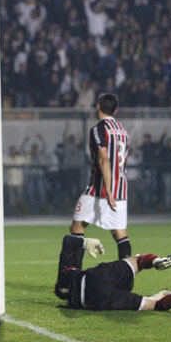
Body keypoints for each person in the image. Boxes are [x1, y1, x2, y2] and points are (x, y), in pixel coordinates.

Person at [54, 235, 171, 311]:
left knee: (154, 304)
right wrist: (87, 242)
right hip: (95, 275)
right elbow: (68, 241)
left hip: (98, 299)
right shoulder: (64, 273)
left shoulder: (70, 301)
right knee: (138, 260)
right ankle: (157, 262)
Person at [70, 93, 131, 259]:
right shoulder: (123, 131)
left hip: (100, 188)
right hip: (121, 189)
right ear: (115, 110)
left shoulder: (98, 129)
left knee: (77, 227)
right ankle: (125, 278)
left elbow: (104, 159)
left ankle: (73, 273)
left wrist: (108, 191)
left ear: (97, 106)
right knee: (120, 233)